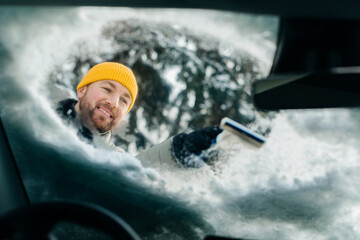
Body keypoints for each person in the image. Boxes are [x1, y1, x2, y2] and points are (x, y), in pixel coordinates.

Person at [57, 62, 222, 168]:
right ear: (82, 90)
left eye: (124, 101)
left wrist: (179, 150)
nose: (114, 103)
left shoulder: (109, 159)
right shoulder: (36, 113)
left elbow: (137, 169)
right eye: (107, 89)